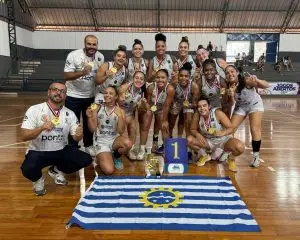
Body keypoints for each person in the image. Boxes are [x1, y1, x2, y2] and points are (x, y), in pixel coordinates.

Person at [20, 81, 93, 196]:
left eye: (62, 91)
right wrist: (42, 127)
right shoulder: (35, 109)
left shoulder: (69, 113)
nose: (59, 93)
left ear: (65, 96)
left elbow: (76, 137)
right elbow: (24, 136)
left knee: (86, 159)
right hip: (38, 151)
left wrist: (79, 134)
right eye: (55, 89)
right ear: (49, 92)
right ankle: (38, 179)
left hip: (61, 150)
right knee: (27, 168)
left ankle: (56, 170)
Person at [64, 35, 104, 154]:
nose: (91, 47)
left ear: (97, 45)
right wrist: (82, 72)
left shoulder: (100, 57)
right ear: (84, 44)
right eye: (89, 44)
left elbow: (98, 77)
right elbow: (66, 76)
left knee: (89, 121)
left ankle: (88, 145)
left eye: (94, 44)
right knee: (73, 123)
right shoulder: (74, 55)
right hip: (73, 96)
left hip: (90, 96)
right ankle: (73, 146)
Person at [224, 65, 270, 167]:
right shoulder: (227, 85)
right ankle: (227, 151)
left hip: (254, 104)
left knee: (254, 129)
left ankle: (256, 156)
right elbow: (231, 103)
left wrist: (257, 80)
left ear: (236, 72)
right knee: (230, 128)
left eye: (232, 71)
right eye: (227, 73)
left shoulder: (246, 81)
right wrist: (230, 95)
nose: (230, 74)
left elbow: (266, 85)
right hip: (241, 106)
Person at [187, 97, 245, 172]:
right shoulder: (197, 115)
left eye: (204, 105)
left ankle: (230, 158)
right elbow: (192, 129)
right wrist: (198, 134)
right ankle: (204, 155)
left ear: (209, 106)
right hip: (209, 142)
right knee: (189, 140)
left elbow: (231, 128)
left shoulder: (217, 113)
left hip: (223, 141)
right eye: (199, 106)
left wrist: (222, 133)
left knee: (240, 147)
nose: (202, 108)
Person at [86, 86, 132, 173]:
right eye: (106, 93)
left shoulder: (120, 111)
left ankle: (115, 156)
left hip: (114, 140)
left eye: (111, 93)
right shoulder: (97, 108)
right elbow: (92, 129)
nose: (107, 95)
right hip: (101, 142)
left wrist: (120, 117)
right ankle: (100, 157)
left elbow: (121, 131)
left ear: (116, 97)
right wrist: (89, 117)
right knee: (109, 170)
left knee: (128, 144)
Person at [138, 69, 175, 157]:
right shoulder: (150, 87)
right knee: (145, 124)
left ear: (167, 78)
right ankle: (142, 149)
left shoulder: (170, 89)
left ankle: (167, 151)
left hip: (162, 108)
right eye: (158, 77)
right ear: (155, 78)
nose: (160, 80)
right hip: (152, 106)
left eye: (163, 78)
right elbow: (149, 102)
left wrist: (164, 120)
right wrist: (148, 110)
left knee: (164, 126)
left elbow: (166, 106)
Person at [168, 62, 199, 160]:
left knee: (188, 120)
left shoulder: (194, 86)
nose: (183, 78)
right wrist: (172, 102)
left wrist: (190, 105)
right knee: (171, 122)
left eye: (186, 76)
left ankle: (188, 147)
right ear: (178, 76)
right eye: (181, 76)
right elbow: (170, 97)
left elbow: (195, 104)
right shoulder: (173, 84)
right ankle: (170, 141)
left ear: (190, 77)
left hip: (188, 103)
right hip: (176, 102)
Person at [118, 71, 146, 160]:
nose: (139, 80)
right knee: (121, 128)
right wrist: (119, 100)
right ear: (133, 79)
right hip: (118, 112)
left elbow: (141, 110)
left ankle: (131, 149)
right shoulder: (124, 88)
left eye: (141, 79)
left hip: (130, 113)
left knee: (133, 127)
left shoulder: (142, 92)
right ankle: (114, 148)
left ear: (144, 81)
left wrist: (143, 104)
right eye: (136, 78)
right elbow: (114, 101)